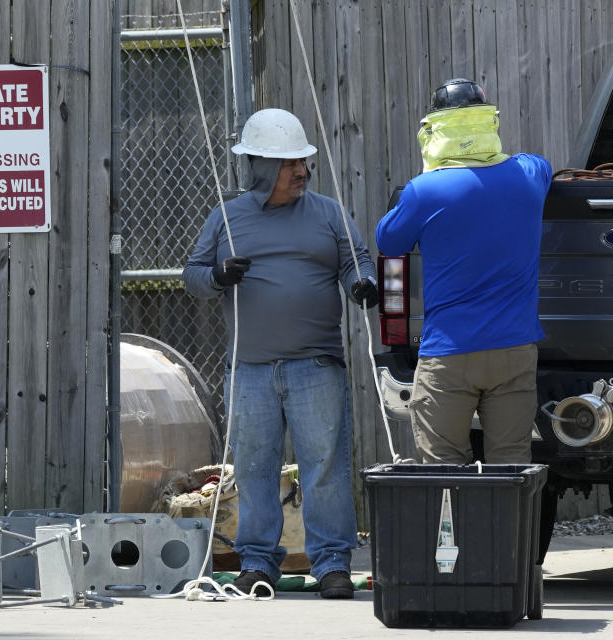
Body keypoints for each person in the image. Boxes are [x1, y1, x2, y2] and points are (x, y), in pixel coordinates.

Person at [183, 108, 377, 599]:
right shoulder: (226, 216)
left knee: (325, 468)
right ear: (263, 166)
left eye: (303, 162)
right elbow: (193, 275)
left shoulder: (328, 212)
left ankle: (331, 565)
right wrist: (218, 276)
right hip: (249, 370)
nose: (302, 171)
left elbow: (357, 260)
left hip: (316, 365)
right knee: (253, 468)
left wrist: (361, 286)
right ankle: (257, 564)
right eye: (291, 164)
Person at [376, 78, 552, 465]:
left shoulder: (424, 191)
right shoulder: (528, 175)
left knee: (442, 466)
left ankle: (454, 528)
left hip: (449, 355)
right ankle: (504, 528)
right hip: (514, 349)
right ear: (489, 123)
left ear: (436, 130)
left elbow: (388, 242)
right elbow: (541, 163)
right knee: (512, 468)